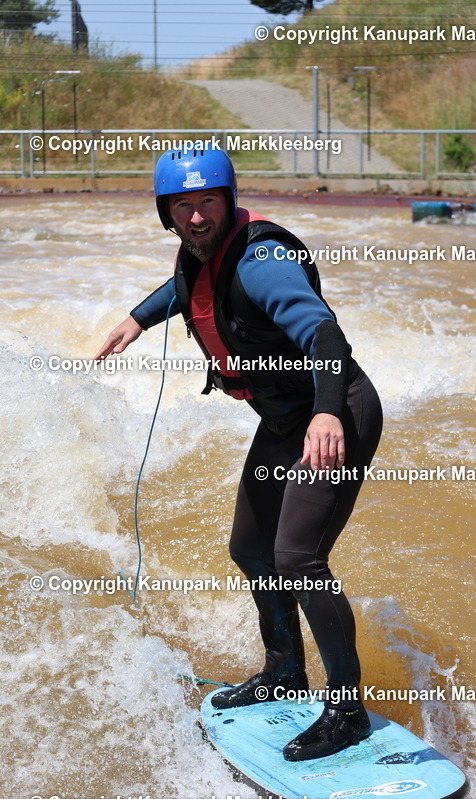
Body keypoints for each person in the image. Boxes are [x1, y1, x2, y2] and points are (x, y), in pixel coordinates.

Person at [95, 146, 383, 762]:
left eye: (207, 202)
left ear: (229, 201)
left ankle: (347, 708)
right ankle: (283, 669)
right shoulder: (204, 252)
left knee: (297, 555)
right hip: (285, 420)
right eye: (183, 206)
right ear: (166, 213)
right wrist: (138, 319)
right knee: (251, 549)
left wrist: (328, 412)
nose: (196, 218)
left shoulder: (262, 261)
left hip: (335, 411)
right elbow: (193, 287)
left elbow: (325, 333)